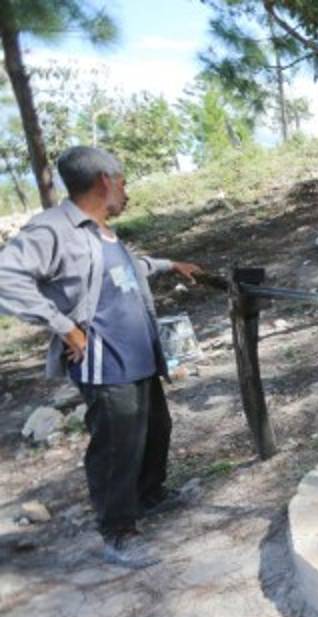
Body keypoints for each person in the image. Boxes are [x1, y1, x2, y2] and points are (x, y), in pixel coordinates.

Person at [0, 146, 205, 569]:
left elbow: (125, 268)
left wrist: (169, 265)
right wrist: (61, 324)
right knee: (117, 445)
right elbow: (6, 275)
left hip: (140, 356)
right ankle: (118, 533)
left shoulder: (101, 230)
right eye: (124, 182)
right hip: (104, 361)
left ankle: (149, 496)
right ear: (104, 181)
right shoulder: (54, 229)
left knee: (155, 430)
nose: (127, 191)